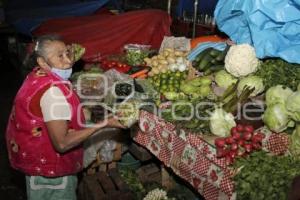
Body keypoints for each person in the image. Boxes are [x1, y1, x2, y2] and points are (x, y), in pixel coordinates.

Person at [5, 34, 125, 200]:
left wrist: (89, 113)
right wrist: (106, 123)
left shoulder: (37, 76)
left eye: (67, 53)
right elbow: (62, 143)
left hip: (36, 165)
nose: (68, 61)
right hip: (52, 174)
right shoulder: (53, 92)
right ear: (42, 62)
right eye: (60, 56)